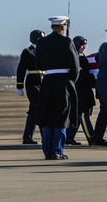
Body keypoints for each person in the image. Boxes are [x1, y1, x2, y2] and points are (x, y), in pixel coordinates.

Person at [34, 16, 80, 160]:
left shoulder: (42, 43)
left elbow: (39, 65)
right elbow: (75, 67)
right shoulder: (67, 42)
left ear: (51, 27)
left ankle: (48, 151)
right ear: (63, 27)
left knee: (48, 117)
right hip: (63, 83)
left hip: (47, 82)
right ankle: (57, 150)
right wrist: (71, 80)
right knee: (62, 118)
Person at [15, 29, 44, 145]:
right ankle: (44, 133)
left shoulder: (44, 51)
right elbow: (21, 69)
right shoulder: (27, 52)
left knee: (33, 110)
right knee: (40, 107)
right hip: (32, 83)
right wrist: (19, 86)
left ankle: (27, 136)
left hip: (43, 82)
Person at [68, 35, 96, 146]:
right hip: (79, 91)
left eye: (84, 45)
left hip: (86, 91)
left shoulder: (82, 58)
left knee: (80, 116)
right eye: (82, 45)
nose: (84, 47)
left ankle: (69, 136)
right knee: (83, 115)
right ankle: (90, 136)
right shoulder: (74, 58)